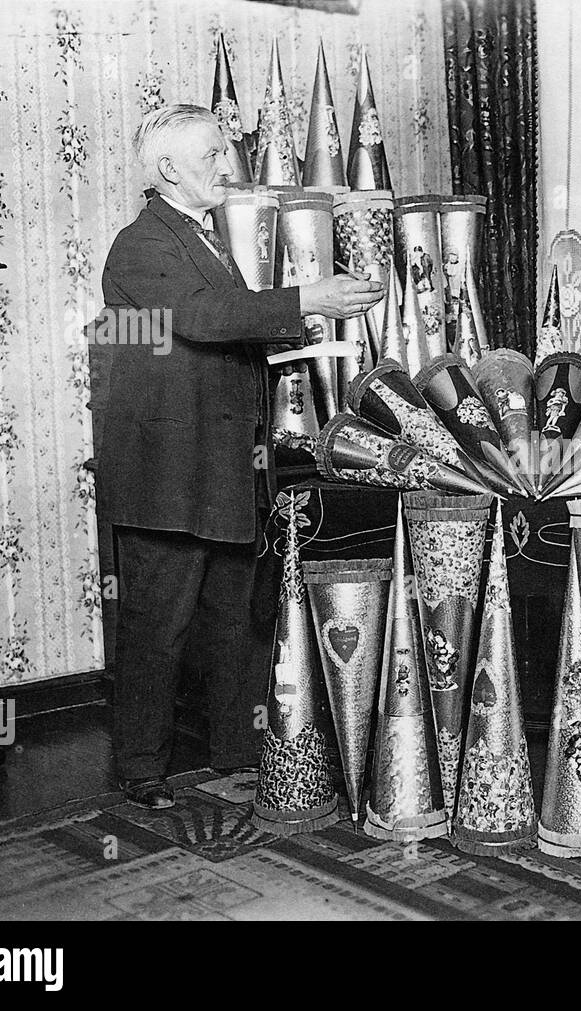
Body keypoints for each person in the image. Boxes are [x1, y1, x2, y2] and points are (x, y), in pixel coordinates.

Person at [96, 104, 383, 809]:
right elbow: (200, 318)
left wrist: (303, 324)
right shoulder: (142, 244)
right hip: (168, 477)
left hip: (220, 469)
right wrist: (306, 296)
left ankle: (234, 752)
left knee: (234, 619)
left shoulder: (200, 238)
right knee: (157, 628)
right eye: (214, 154)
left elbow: (224, 331)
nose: (229, 166)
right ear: (168, 169)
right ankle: (139, 770)